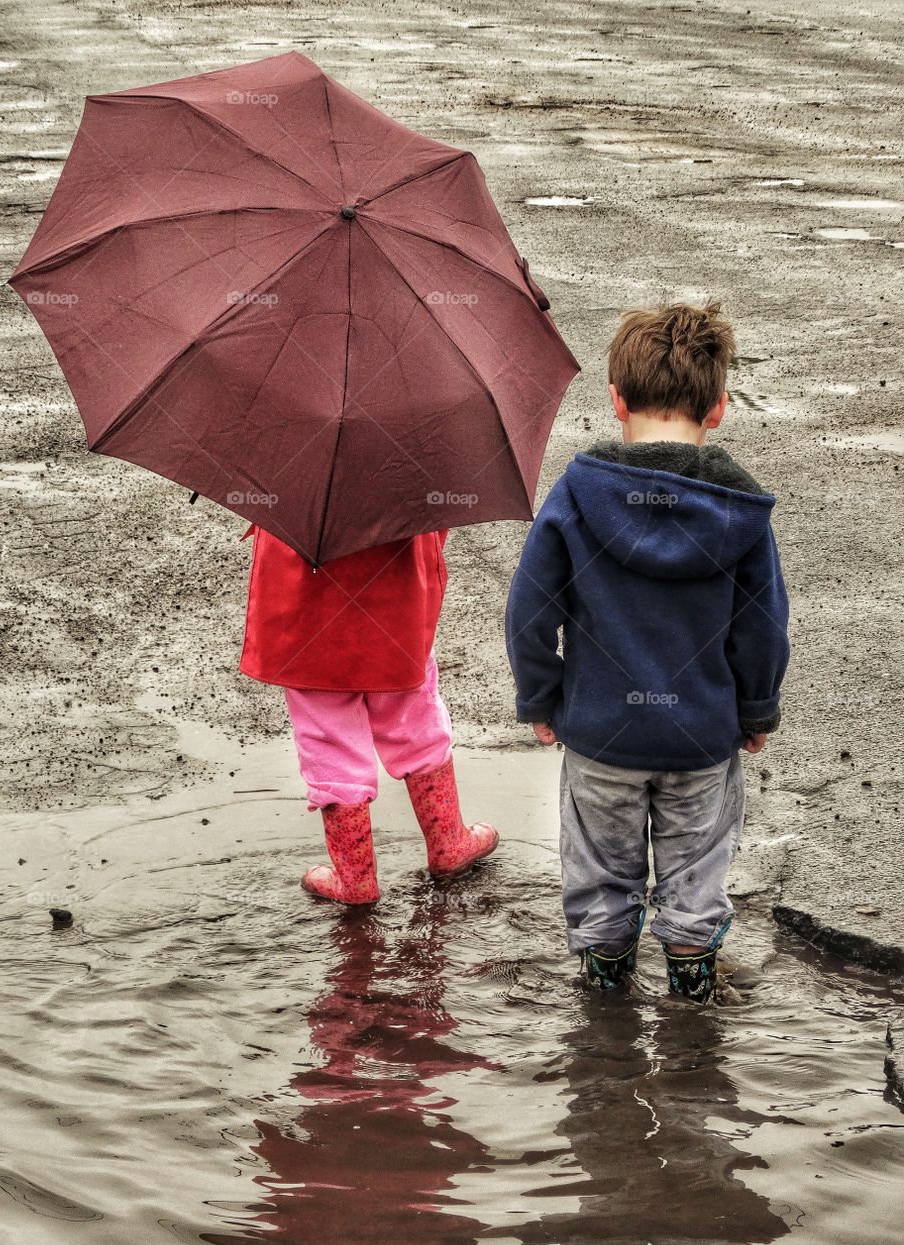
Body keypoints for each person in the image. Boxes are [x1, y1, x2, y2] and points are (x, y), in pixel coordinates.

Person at [505, 301, 789, 1002]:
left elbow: (529, 613)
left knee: (600, 868)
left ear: (615, 401)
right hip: (700, 734)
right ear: (717, 408)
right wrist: (755, 710)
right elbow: (762, 627)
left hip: (600, 735)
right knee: (696, 868)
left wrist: (540, 698)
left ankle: (606, 996)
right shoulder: (739, 512)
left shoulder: (577, 495)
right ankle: (690, 994)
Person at [239, 527, 497, 904]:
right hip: (395, 598)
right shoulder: (408, 469)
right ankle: (448, 843)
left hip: (307, 613)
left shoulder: (292, 486)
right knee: (412, 714)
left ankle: (356, 881)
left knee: (328, 736)